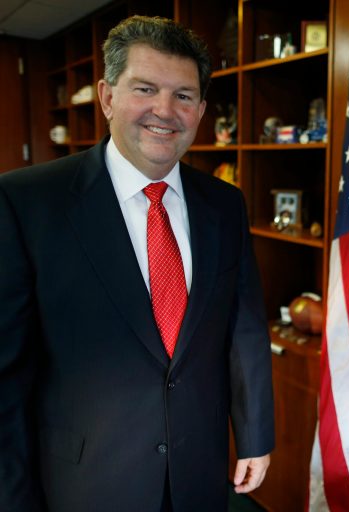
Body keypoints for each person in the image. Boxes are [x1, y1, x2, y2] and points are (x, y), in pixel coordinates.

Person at [0, 16, 274, 511]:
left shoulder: (225, 203)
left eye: (184, 96)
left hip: (200, 473)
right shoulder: (27, 201)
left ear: (202, 109)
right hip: (83, 482)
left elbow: (245, 328)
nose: (164, 111)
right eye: (145, 88)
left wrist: (254, 433)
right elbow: (8, 374)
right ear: (107, 96)